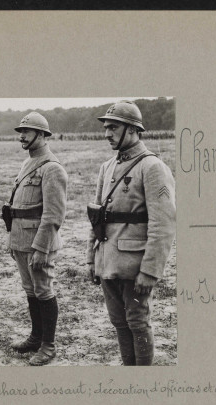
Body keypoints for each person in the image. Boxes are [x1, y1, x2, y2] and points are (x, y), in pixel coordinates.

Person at [87, 101, 176, 366]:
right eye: (105, 127)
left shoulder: (152, 167)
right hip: (108, 262)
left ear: (134, 130)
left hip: (135, 266)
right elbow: (97, 216)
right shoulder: (107, 166)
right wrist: (91, 259)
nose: (107, 133)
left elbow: (163, 224)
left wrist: (150, 271)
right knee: (119, 322)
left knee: (137, 322)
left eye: (113, 127)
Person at [6, 112, 68, 366]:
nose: (22, 136)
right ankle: (36, 336)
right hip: (21, 239)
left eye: (27, 131)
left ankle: (48, 345)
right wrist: (13, 240)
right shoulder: (28, 163)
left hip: (38, 243)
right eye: (21, 131)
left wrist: (41, 248)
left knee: (43, 290)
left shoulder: (51, 168)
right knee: (30, 290)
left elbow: (53, 215)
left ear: (42, 135)